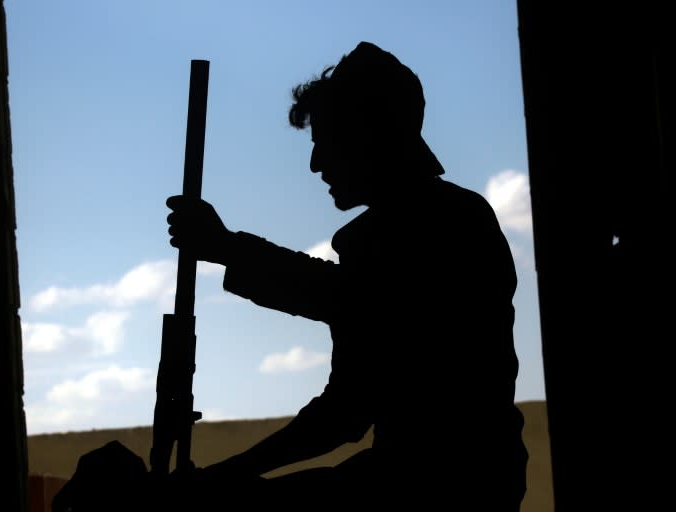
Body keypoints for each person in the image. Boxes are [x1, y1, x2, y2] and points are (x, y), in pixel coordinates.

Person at [53, 41, 528, 511]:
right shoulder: (412, 231)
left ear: (369, 135)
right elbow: (347, 396)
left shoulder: (448, 224)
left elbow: (355, 322)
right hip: (425, 477)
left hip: (443, 486)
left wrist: (225, 247)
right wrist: (224, 478)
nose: (316, 163)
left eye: (326, 141)